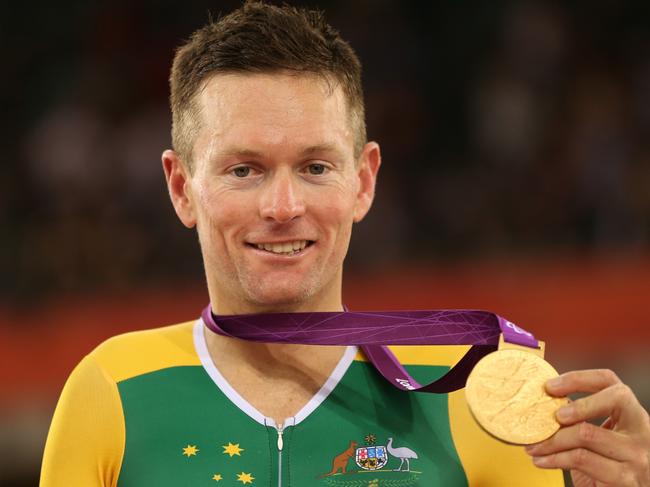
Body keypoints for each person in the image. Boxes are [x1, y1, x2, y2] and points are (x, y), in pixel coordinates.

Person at [40, 2, 650, 486]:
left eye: (315, 167)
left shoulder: (475, 390)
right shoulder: (111, 391)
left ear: (363, 181)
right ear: (181, 187)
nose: (283, 207)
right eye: (244, 170)